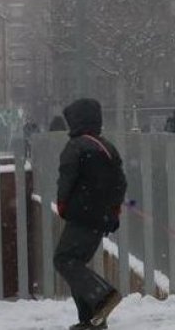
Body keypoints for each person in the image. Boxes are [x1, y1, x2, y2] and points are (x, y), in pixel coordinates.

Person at [55, 98, 126, 330]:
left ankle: (103, 296)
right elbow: (120, 183)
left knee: (64, 260)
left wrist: (62, 205)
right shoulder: (108, 147)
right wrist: (113, 211)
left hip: (82, 215)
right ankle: (91, 320)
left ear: (76, 120)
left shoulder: (76, 146)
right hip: (101, 219)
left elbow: (66, 180)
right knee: (77, 265)